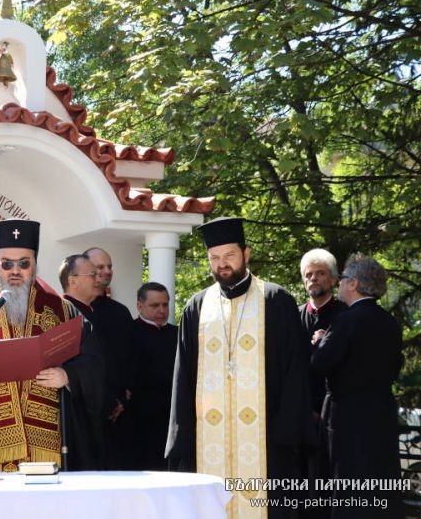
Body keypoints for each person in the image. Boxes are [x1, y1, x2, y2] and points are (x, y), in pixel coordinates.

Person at [166, 217, 314, 519]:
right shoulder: (197, 306)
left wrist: (286, 436)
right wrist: (182, 439)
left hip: (267, 443)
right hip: (208, 444)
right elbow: (183, 378)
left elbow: (295, 373)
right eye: (214, 258)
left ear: (246, 254)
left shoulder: (276, 300)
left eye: (229, 256)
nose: (222, 265)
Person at [0, 220, 105, 471]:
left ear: (34, 264)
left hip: (49, 438)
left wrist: (68, 375)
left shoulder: (62, 309)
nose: (15, 271)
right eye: (7, 263)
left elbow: (94, 362)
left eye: (24, 263)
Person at [311, 254, 402, 518]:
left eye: (343, 279)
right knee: (380, 484)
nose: (338, 284)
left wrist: (320, 341)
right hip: (381, 412)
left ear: (353, 284)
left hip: (346, 416)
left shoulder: (346, 321)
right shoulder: (389, 322)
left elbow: (320, 364)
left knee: (347, 487)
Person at [83, 246, 136, 469]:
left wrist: (121, 401)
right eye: (100, 267)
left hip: (118, 413)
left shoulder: (120, 312)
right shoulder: (70, 309)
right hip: (84, 411)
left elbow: (131, 358)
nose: (107, 271)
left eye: (110, 266)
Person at [129, 282, 178, 471]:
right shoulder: (129, 333)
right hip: (140, 419)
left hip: (172, 417)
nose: (161, 310)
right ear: (140, 306)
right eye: (155, 305)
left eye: (165, 305)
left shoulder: (179, 334)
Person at [298, 248, 347, 417]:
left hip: (337, 409)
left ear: (333, 280)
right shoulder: (292, 316)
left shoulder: (346, 316)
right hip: (301, 409)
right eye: (308, 274)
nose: (313, 278)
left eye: (320, 273)